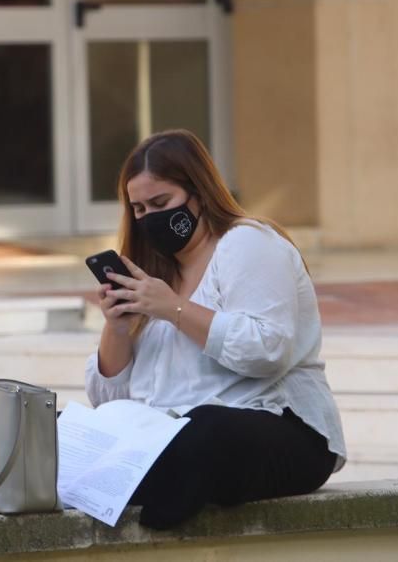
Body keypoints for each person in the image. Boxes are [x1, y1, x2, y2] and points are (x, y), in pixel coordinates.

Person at [85, 129, 347, 529]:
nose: (149, 218)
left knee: (206, 428)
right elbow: (111, 402)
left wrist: (173, 308)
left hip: (280, 430)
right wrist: (117, 328)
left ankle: (141, 492)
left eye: (160, 203)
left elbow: (267, 350)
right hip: (173, 437)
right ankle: (142, 482)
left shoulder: (248, 243)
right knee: (75, 431)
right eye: (138, 210)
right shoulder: (154, 272)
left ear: (199, 193)